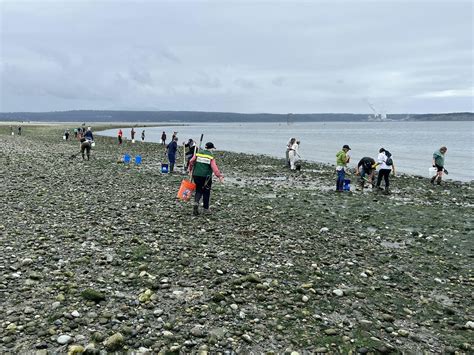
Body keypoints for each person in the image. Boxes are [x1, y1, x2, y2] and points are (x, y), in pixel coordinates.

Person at [188, 142, 224, 215]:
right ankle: (205, 209)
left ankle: (196, 203)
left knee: (198, 190)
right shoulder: (211, 156)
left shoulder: (198, 153)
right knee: (206, 192)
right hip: (206, 177)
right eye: (212, 149)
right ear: (211, 148)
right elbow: (214, 167)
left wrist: (190, 169)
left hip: (196, 175)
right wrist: (219, 176)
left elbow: (191, 161)